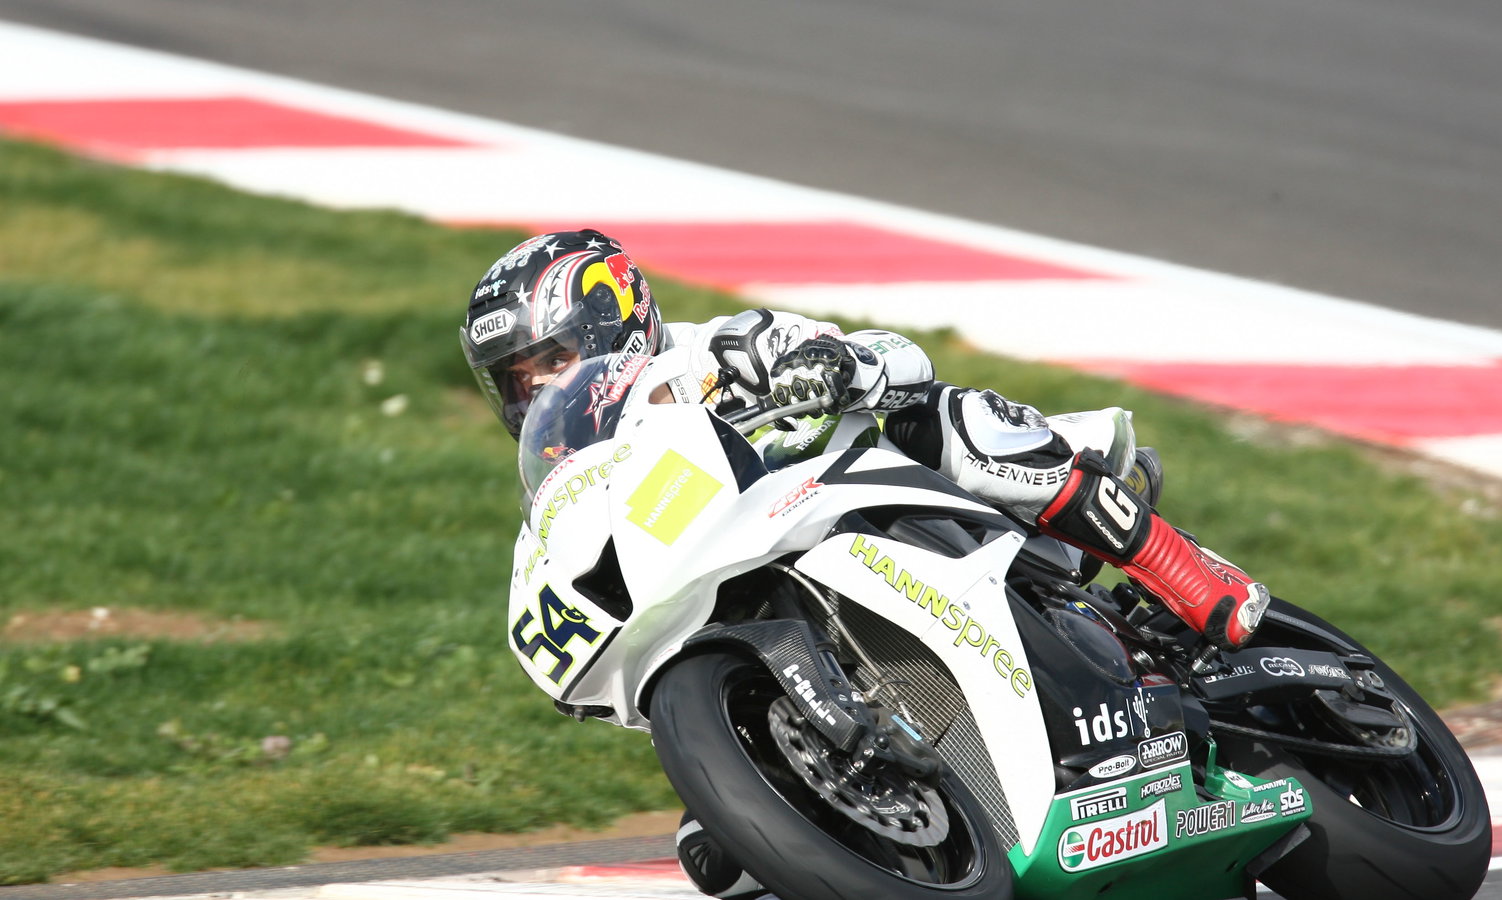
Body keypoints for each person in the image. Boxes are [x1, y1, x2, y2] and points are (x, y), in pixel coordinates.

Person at [462, 229, 1270, 899]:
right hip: (768, 599)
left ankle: (1184, 571)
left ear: (612, 324)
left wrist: (839, 368)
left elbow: (894, 356)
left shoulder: (717, 353)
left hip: (893, 508)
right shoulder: (571, 477)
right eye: (515, 381)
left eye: (549, 361)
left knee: (953, 421)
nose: (533, 390)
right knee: (719, 864)